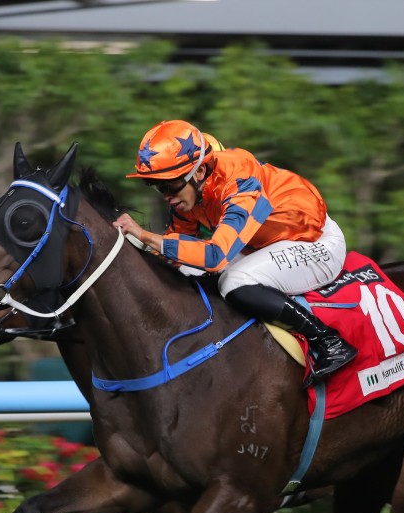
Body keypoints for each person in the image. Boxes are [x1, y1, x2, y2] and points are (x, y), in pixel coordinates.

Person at [112, 119, 357, 385]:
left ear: (199, 172)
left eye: (170, 186)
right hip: (265, 243)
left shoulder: (240, 181)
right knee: (186, 269)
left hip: (315, 243)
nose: (167, 196)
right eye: (159, 188)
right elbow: (174, 250)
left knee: (233, 281)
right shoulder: (190, 195)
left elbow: (215, 257)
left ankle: (328, 341)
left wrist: (145, 235)